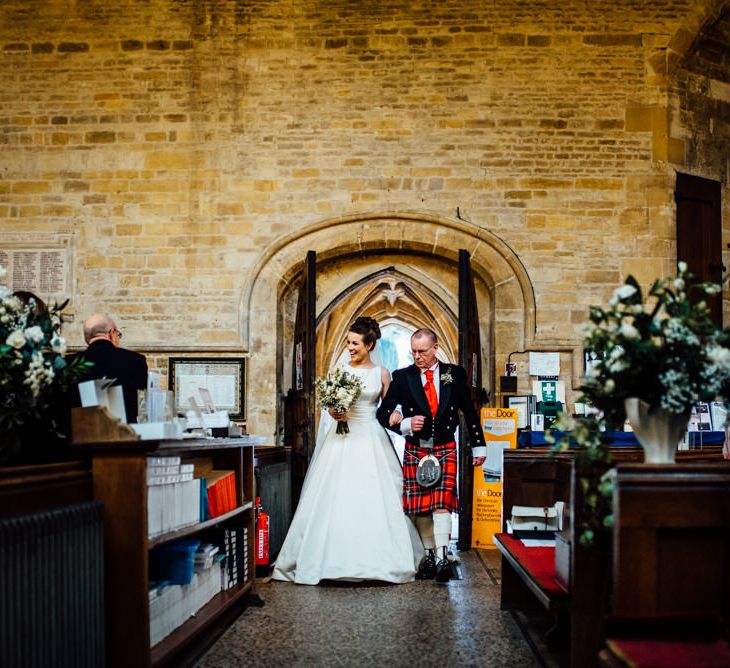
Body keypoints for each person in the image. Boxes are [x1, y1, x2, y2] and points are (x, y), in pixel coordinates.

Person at [273, 316, 423, 585]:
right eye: (348, 342)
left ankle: (381, 561)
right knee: (332, 494)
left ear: (369, 344)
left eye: (355, 343)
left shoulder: (382, 374)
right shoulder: (339, 370)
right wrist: (335, 410)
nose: (350, 347)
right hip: (341, 437)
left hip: (370, 437)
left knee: (375, 495)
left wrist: (399, 415)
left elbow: (390, 408)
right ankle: (325, 560)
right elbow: (330, 406)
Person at [376, 327, 487, 582]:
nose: (417, 356)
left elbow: (469, 412)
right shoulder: (402, 377)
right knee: (421, 508)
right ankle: (428, 557)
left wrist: (479, 446)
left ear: (435, 348)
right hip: (417, 448)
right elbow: (383, 413)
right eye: (413, 351)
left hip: (445, 447)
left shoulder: (454, 374)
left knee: (441, 505)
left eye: (422, 351)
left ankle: (441, 558)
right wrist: (403, 424)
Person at [69, 313, 148, 423]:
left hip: (79, 433)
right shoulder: (135, 360)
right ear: (112, 333)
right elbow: (141, 399)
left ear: (87, 339)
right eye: (118, 335)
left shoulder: (68, 363)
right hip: (124, 433)